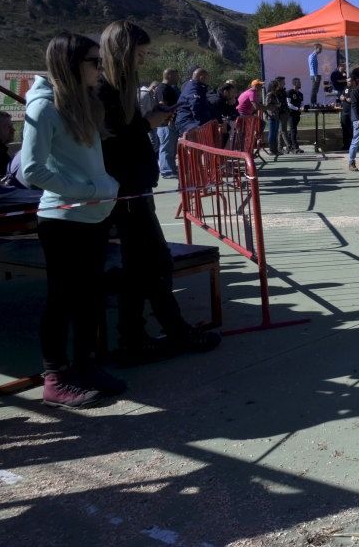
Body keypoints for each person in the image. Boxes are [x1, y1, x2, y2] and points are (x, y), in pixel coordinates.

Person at [97, 21, 221, 366]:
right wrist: (146, 123)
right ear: (123, 51)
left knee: (144, 267)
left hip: (134, 187)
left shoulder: (116, 87)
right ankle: (167, 332)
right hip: (125, 192)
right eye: (139, 54)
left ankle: (136, 336)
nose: (142, 59)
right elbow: (111, 135)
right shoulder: (105, 89)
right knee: (150, 263)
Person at [21, 33, 124, 407]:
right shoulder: (44, 107)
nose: (100, 68)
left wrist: (103, 186)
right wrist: (89, 189)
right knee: (62, 298)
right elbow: (31, 171)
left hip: (94, 216)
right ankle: (54, 377)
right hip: (62, 220)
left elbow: (86, 161)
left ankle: (85, 365)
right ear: (71, 64)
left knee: (91, 296)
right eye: (94, 62)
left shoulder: (84, 102)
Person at [173, 67, 215, 137]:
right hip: (187, 122)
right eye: (207, 79)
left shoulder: (197, 87)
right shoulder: (193, 89)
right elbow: (196, 106)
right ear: (201, 78)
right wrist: (204, 124)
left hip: (190, 121)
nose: (207, 82)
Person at [155, 68, 181, 177]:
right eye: (176, 75)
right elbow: (162, 105)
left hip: (171, 123)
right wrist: (169, 119)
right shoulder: (162, 88)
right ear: (169, 75)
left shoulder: (169, 88)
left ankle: (171, 169)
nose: (177, 78)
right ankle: (166, 171)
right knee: (166, 148)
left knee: (171, 148)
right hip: (166, 124)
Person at [264, 78, 287, 155]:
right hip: (272, 116)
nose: (278, 87)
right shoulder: (270, 95)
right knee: (272, 133)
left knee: (275, 133)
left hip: (276, 115)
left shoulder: (274, 94)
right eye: (276, 86)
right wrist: (277, 105)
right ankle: (272, 149)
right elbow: (267, 106)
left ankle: (275, 149)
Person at [285, 77, 305, 153]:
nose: (300, 84)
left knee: (292, 131)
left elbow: (302, 103)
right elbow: (289, 104)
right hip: (291, 114)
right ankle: (295, 147)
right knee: (293, 130)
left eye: (300, 82)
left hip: (297, 114)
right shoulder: (289, 92)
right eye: (298, 82)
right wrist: (297, 108)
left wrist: (302, 108)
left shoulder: (300, 94)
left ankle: (288, 147)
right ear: (294, 83)